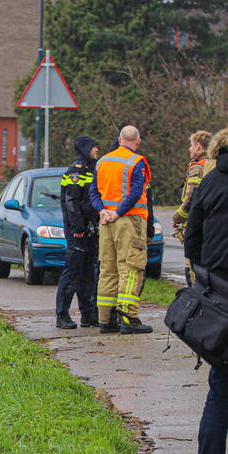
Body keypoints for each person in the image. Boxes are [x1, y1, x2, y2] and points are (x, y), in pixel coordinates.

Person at [183, 127, 228, 454]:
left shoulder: (211, 181)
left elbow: (191, 238)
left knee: (219, 396)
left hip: (220, 303)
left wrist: (206, 277)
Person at [88, 125, 153, 334]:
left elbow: (94, 192)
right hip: (129, 221)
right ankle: (129, 317)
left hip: (106, 222)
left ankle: (105, 320)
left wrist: (102, 211)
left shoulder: (103, 161)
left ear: (119, 139)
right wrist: (118, 212)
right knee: (131, 267)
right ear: (138, 141)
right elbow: (135, 192)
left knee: (107, 268)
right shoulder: (136, 162)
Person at [55, 136, 101, 329]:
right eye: (93, 146)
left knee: (88, 274)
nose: (97, 149)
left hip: (90, 230)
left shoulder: (92, 169)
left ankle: (88, 314)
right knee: (72, 273)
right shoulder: (76, 170)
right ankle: (62, 315)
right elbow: (71, 201)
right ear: (84, 148)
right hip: (78, 231)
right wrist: (78, 228)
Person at [173, 130, 212, 284]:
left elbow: (191, 198)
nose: (189, 149)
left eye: (191, 145)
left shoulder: (197, 168)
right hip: (212, 226)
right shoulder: (216, 165)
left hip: (196, 226)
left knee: (193, 272)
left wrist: (177, 217)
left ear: (198, 146)